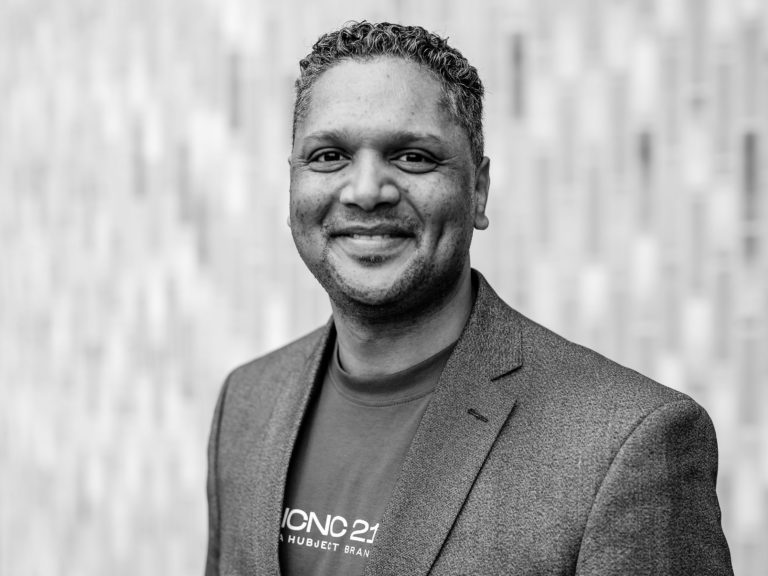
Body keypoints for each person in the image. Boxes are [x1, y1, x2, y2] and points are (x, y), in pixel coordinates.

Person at [205, 21, 733, 576]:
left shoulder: (630, 442)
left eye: (412, 157)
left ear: (478, 190)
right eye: (329, 155)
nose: (365, 191)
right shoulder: (247, 402)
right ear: (292, 182)